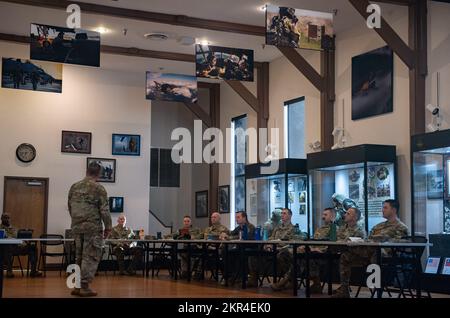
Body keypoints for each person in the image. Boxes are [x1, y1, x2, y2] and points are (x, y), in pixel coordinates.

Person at [333, 200, 408, 298]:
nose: (382, 210)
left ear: (394, 210)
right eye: (382, 207)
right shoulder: (379, 226)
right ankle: (344, 289)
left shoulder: (401, 227)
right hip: (367, 252)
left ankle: (376, 290)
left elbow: (399, 245)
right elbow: (368, 239)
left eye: (385, 207)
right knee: (345, 256)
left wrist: (382, 241)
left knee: (374, 251)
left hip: (385, 256)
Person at [68, 162, 112, 297]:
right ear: (98, 174)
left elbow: (70, 206)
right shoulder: (99, 188)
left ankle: (77, 286)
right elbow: (104, 210)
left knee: (79, 256)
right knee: (91, 256)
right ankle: (85, 286)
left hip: (76, 226)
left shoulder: (74, 186)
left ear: (87, 171)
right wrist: (108, 227)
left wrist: (76, 222)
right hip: (92, 228)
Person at [271, 208, 337, 292]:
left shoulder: (335, 228)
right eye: (323, 214)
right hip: (312, 250)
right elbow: (313, 241)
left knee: (299, 258)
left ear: (332, 216)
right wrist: (307, 246)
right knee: (289, 255)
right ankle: (292, 281)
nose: (322, 217)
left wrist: (316, 249)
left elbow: (332, 243)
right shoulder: (320, 229)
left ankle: (286, 281)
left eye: (325, 215)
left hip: (323, 253)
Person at [249, 208, 297, 288]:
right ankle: (253, 279)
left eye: (284, 213)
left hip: (282, 250)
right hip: (271, 249)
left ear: (290, 215)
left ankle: (289, 280)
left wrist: (277, 244)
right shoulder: (277, 228)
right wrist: (268, 244)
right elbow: (271, 238)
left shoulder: (293, 228)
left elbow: (291, 242)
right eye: (281, 213)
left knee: (283, 255)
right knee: (253, 254)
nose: (282, 215)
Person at [0, 213, 42, 278]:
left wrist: (26, 235)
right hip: (9, 248)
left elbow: (20, 236)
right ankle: (9, 271)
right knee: (8, 246)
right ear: (1, 219)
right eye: (5, 217)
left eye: (8, 218)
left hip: (19, 247)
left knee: (33, 248)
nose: (7, 219)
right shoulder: (0, 228)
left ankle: (33, 271)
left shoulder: (14, 228)